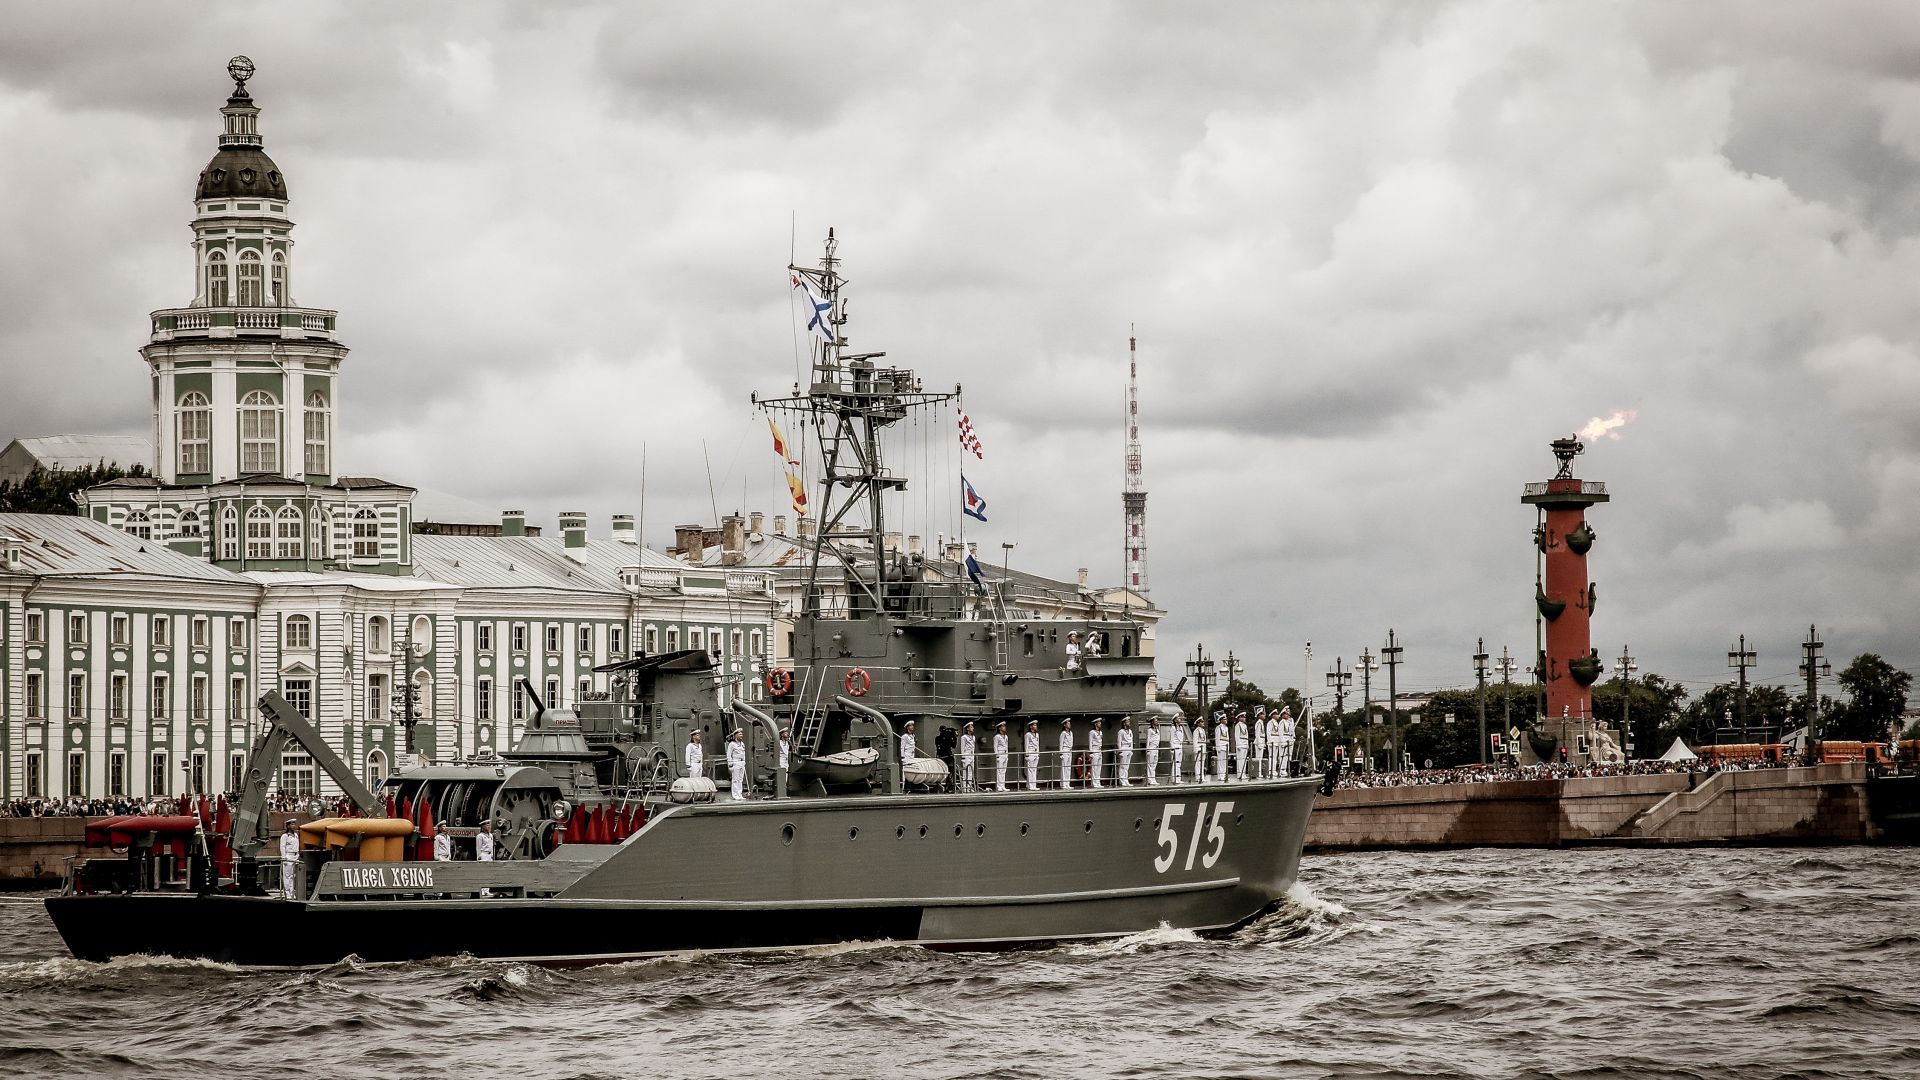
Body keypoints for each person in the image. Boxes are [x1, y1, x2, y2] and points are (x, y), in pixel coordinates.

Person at [279, 820, 299, 900]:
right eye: (292, 824)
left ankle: (292, 892)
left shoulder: (296, 835)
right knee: (287, 876)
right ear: (288, 826)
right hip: (288, 856)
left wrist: (297, 855)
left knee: (293, 876)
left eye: (294, 824)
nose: (293, 826)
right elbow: (282, 846)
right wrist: (284, 857)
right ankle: (287, 893)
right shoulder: (285, 836)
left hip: (295, 856)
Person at [726, 728, 748, 800]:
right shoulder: (732, 744)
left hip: (741, 763)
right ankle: (735, 795)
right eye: (740, 734)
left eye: (742, 734)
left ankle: (739, 794)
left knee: (740, 779)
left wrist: (744, 762)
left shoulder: (743, 744)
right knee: (735, 779)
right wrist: (730, 763)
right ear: (736, 736)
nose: (741, 735)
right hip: (735, 762)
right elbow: (729, 754)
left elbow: (743, 754)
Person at [1278, 707, 1297, 779]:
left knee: (1289, 755)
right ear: (1282, 715)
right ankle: (1282, 769)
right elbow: (1281, 732)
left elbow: (1292, 731)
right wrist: (1282, 742)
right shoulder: (1282, 722)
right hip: (1284, 740)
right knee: (1283, 755)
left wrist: (1293, 737)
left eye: (1288, 713)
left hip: (1289, 739)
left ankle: (1287, 768)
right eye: (1286, 713)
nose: (1287, 714)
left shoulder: (1289, 721)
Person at [959, 721, 977, 793]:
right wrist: (963, 757)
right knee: (965, 772)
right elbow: (962, 747)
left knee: (971, 772)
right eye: (971, 727)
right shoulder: (964, 737)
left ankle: (969, 787)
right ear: (967, 728)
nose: (973, 728)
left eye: (972, 727)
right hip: (966, 755)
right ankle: (964, 787)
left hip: (972, 755)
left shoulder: (973, 737)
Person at [1116, 717, 1135, 786]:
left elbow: (1132, 741)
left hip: (1129, 749)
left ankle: (1126, 780)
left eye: (1129, 722)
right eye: (1127, 722)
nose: (1129, 723)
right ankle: (1122, 780)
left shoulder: (1130, 731)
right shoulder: (1121, 732)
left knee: (1127, 766)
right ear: (1124, 723)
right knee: (1122, 766)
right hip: (1123, 748)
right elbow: (1119, 742)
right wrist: (1120, 751)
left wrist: (1131, 750)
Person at [1267, 708, 1285, 779]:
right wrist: (1270, 741)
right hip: (1272, 742)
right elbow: (1268, 733)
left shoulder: (1276, 723)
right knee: (1272, 756)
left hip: (1276, 741)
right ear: (1273, 715)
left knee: (1275, 757)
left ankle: (1274, 769)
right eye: (1277, 714)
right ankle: (1271, 770)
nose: (1278, 716)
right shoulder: (1270, 722)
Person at [1087, 718, 1105, 788]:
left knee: (1099, 767)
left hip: (1099, 750)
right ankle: (1094, 783)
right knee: (1094, 768)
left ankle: (1098, 782)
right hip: (1094, 750)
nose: (1100, 724)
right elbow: (1090, 743)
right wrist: (1091, 752)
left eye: (1100, 723)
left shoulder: (1100, 732)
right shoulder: (1092, 732)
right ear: (1095, 724)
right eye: (1099, 723)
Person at [1251, 706, 1267, 780]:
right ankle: (1258, 772)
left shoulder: (1261, 723)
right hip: (1259, 742)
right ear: (1259, 715)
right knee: (1258, 758)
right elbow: (1257, 734)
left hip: (1262, 741)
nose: (1264, 715)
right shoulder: (1258, 723)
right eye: (1262, 714)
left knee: (1260, 758)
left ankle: (1259, 772)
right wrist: (1259, 743)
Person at [1024, 719, 1041, 791]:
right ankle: (1030, 785)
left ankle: (1033, 785)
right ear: (1031, 727)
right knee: (1030, 770)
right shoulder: (1028, 735)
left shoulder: (1037, 735)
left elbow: (1037, 745)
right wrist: (1027, 754)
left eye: (1036, 725)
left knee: (1034, 770)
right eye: (1034, 725)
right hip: (1030, 753)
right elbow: (1026, 745)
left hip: (1036, 753)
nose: (1036, 726)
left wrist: (1038, 753)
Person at [1233, 711, 1250, 781]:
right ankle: (1240, 773)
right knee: (1240, 760)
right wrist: (1238, 745)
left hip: (1245, 744)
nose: (1244, 718)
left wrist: (1247, 744)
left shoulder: (1244, 725)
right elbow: (1237, 736)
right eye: (1243, 717)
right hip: (1240, 744)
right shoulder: (1238, 725)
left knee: (1244, 760)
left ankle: (1243, 773)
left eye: (1245, 717)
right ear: (1239, 718)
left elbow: (1246, 736)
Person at [1058, 718, 1075, 789]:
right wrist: (1061, 753)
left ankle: (1067, 783)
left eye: (1070, 723)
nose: (1069, 725)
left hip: (1069, 751)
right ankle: (1063, 784)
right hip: (1064, 750)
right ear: (1064, 725)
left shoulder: (1071, 733)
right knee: (1064, 767)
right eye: (1068, 723)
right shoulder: (1063, 733)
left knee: (1068, 768)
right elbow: (1061, 743)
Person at [993, 720, 1010, 792]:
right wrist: (997, 755)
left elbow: (1006, 746)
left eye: (1004, 726)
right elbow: (995, 746)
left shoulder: (1006, 736)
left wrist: (1007, 755)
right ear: (999, 728)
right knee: (999, 771)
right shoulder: (997, 736)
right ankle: (999, 786)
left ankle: (1003, 785)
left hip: (1005, 754)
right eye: (1003, 726)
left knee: (1003, 771)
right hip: (1000, 754)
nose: (1004, 727)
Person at [1143, 716, 1160, 785]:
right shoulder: (1149, 730)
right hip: (1151, 747)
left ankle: (1153, 778)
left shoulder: (1157, 730)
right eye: (1155, 721)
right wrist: (1148, 749)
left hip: (1156, 748)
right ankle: (1150, 779)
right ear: (1152, 722)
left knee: (1154, 764)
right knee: (1150, 764)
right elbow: (1148, 740)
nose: (1157, 722)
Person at [1168, 715, 1184, 784]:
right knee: (1175, 763)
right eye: (1178, 718)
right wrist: (1172, 749)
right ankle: (1174, 778)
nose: (1179, 719)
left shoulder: (1181, 727)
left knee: (1179, 763)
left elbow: (1182, 737)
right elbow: (1171, 739)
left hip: (1180, 746)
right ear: (1175, 720)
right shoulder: (1173, 728)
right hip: (1175, 746)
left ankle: (1178, 778)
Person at [1214, 714, 1230, 782]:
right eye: (1225, 719)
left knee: (1224, 762)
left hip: (1225, 746)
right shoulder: (1218, 727)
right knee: (1220, 761)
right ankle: (1220, 776)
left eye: (1226, 719)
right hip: (1221, 746)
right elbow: (1217, 738)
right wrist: (1218, 747)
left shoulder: (1226, 728)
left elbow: (1227, 739)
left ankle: (1224, 775)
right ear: (1221, 720)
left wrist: (1228, 748)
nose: (1226, 720)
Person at [1189, 717, 1206, 783]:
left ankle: (1202, 776)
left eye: (1203, 721)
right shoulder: (1196, 731)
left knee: (1202, 763)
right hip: (1199, 748)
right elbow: (1195, 741)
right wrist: (1196, 749)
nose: (1203, 723)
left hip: (1203, 748)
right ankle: (1198, 777)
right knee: (1198, 763)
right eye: (1201, 722)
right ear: (1198, 723)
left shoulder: (1203, 730)